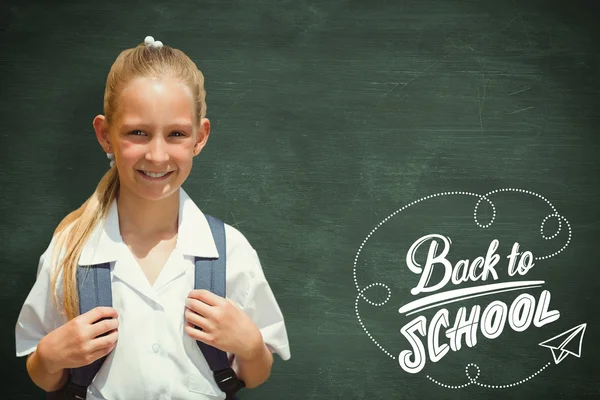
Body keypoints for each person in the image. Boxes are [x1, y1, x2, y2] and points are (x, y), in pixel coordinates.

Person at [14, 36, 290, 399]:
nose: (157, 156)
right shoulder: (69, 252)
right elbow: (40, 369)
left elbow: (255, 373)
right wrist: (50, 356)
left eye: (176, 134)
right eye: (137, 133)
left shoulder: (230, 254)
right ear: (105, 135)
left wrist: (251, 346)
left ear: (200, 137)